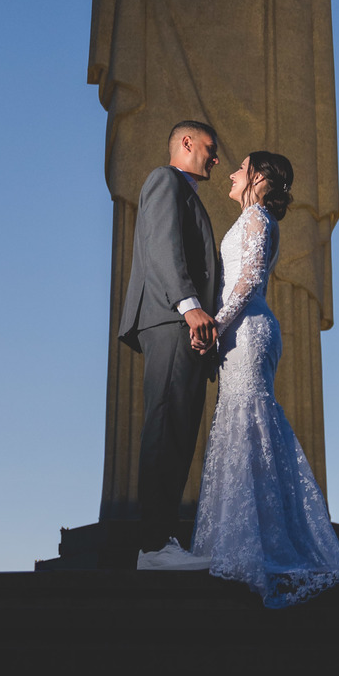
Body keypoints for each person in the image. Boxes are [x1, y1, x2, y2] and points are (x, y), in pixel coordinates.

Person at [188, 151, 339, 607]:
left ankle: (260, 543)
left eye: (241, 168)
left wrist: (215, 325)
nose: (232, 173)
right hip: (241, 331)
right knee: (245, 423)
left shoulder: (257, 219)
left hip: (247, 331)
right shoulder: (251, 219)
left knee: (250, 422)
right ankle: (246, 536)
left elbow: (248, 280)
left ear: (259, 178)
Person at [119, 122, 220, 569]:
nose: (215, 158)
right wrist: (190, 306)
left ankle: (161, 542)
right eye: (210, 149)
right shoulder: (165, 180)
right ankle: (154, 546)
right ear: (186, 143)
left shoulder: (187, 194)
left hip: (185, 326)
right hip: (171, 319)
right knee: (165, 426)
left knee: (178, 430)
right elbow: (162, 245)